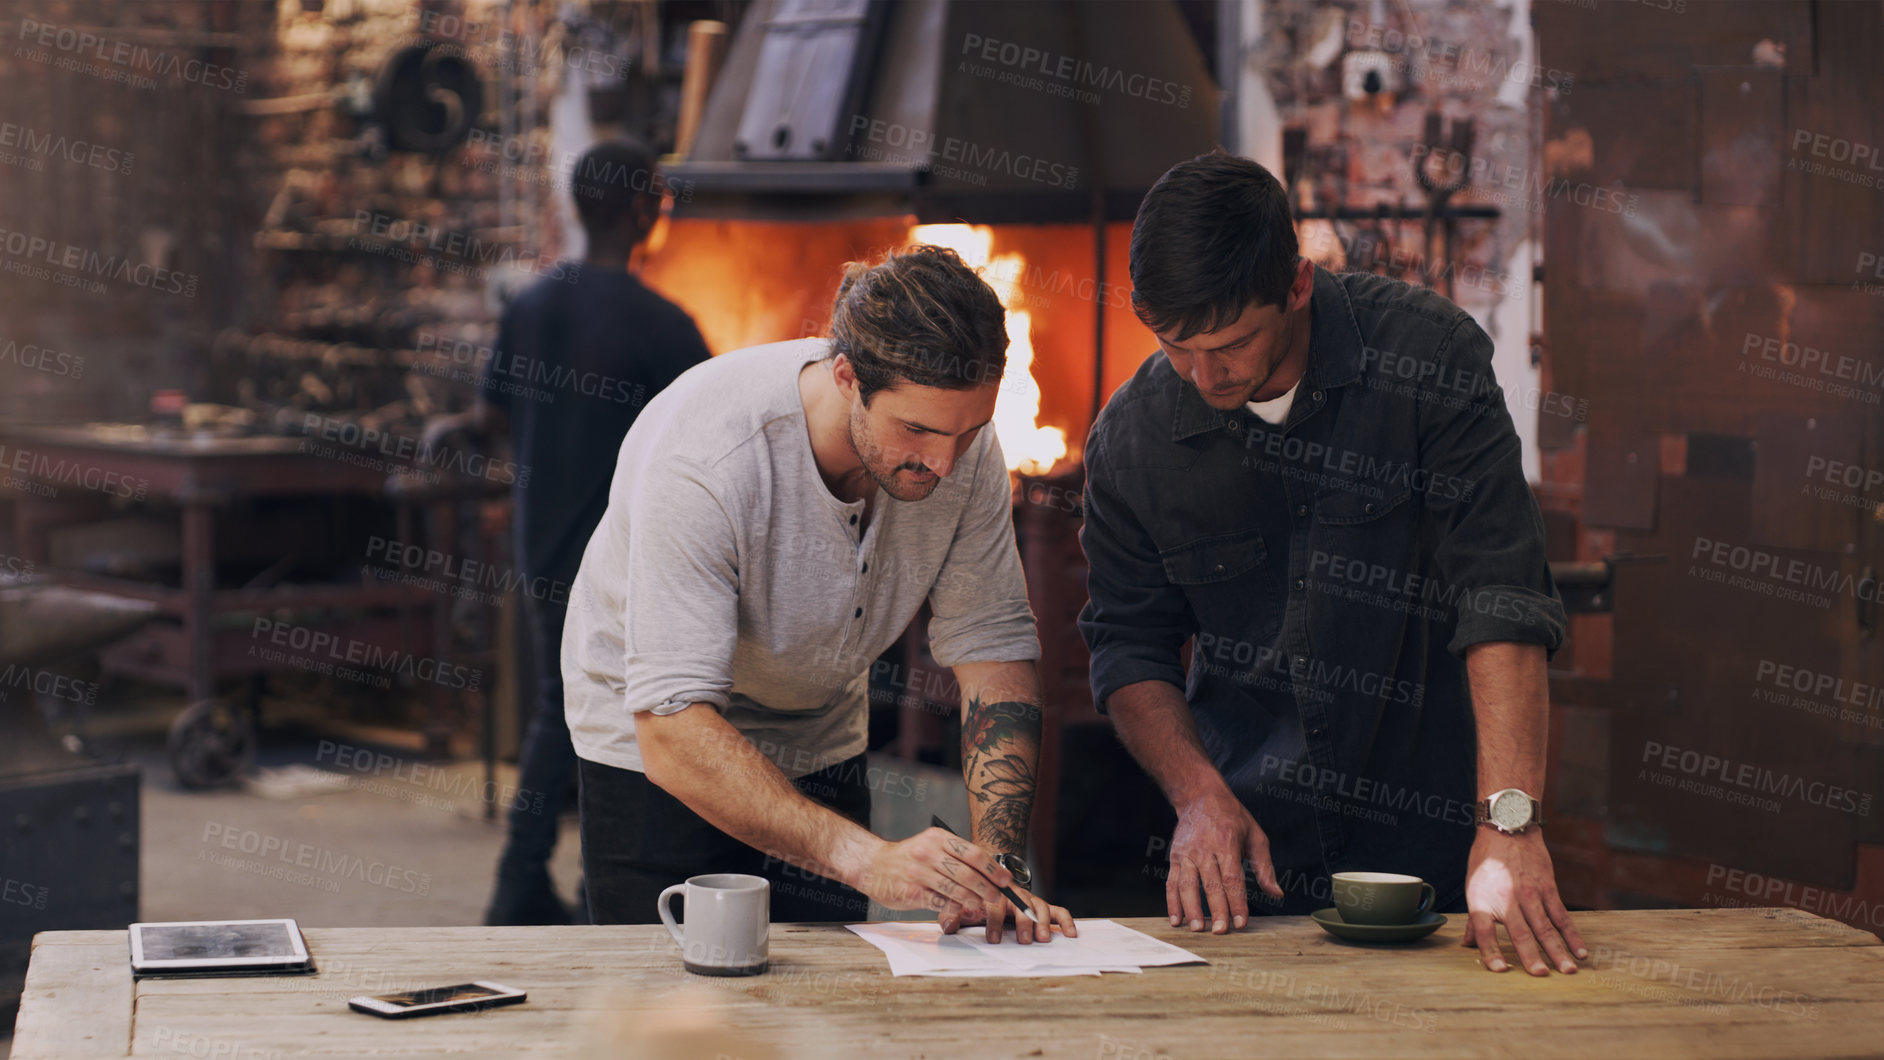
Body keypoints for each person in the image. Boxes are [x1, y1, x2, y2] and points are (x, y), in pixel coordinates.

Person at [1078, 151, 1587, 976]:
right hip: (1243, 868)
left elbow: (1502, 593)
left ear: (1299, 287)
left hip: (1439, 849)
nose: (1203, 376)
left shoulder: (1431, 361)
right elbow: (1128, 644)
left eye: (1232, 343)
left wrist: (1510, 824)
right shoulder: (1131, 440)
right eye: (1176, 346)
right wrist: (1196, 793)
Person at [562, 245, 1075, 942]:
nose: (944, 462)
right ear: (846, 378)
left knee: (825, 1007)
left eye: (969, 430)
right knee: (668, 1006)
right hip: (658, 734)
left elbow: (992, 647)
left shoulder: (961, 448)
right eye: (917, 430)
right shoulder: (708, 459)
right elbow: (673, 726)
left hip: (816, 718)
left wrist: (999, 868)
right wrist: (868, 859)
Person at [433, 138, 712, 925]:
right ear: (639, 209)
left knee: (562, 707)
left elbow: (491, 417)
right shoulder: (663, 326)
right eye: (656, 198)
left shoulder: (531, 303)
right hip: (628, 562)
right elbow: (712, 437)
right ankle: (588, 892)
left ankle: (525, 883)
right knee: (626, 720)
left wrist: (451, 426)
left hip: (540, 547)